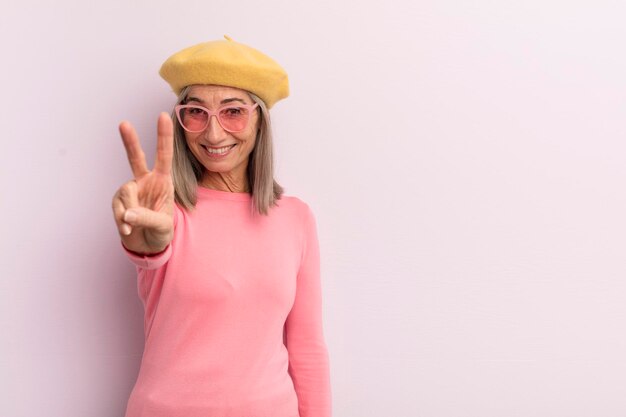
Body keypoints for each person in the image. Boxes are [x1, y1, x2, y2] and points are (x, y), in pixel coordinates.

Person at [111, 35, 332, 417]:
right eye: (196, 112)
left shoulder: (295, 218)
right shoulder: (165, 214)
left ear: (259, 118)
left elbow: (307, 346)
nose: (213, 134)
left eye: (232, 112)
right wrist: (145, 244)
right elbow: (151, 247)